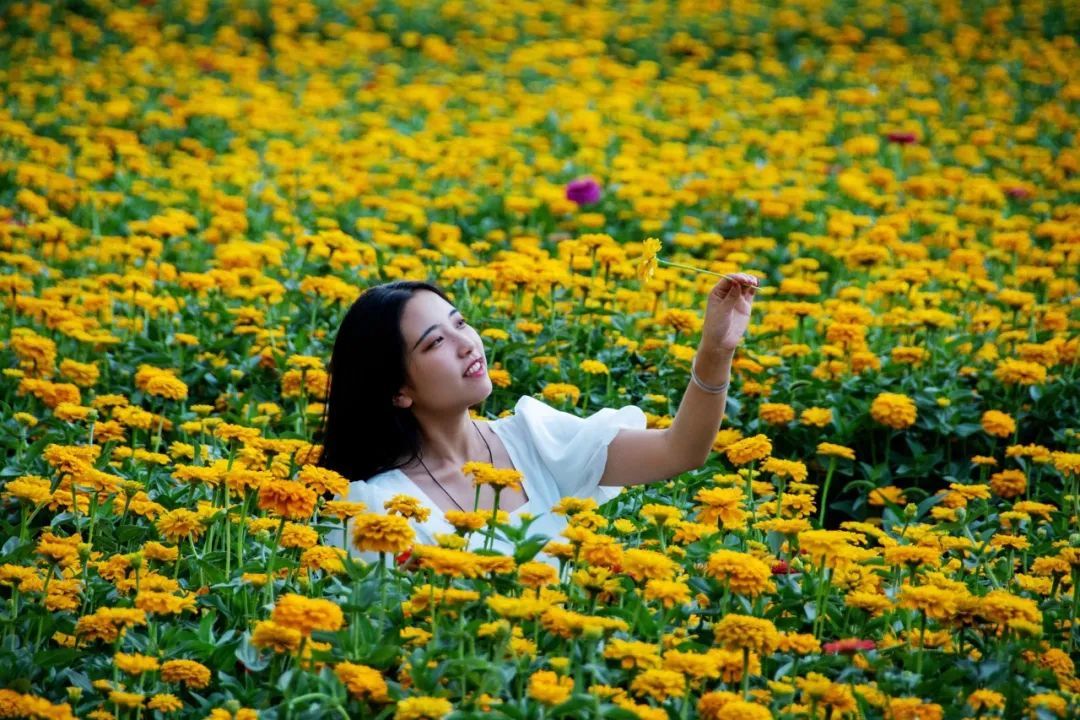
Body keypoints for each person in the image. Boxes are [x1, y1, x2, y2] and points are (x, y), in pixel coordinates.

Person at [318, 274, 758, 565]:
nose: (467, 343)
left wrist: (716, 351)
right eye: (435, 343)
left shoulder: (533, 438)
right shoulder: (376, 509)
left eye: (461, 323)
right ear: (398, 390)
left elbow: (678, 450)